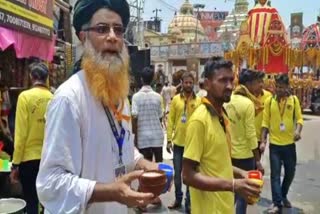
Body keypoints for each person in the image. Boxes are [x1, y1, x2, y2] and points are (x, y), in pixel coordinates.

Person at [36, 1, 161, 213]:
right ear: (83, 37)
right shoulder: (69, 99)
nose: (112, 37)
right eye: (102, 29)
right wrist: (110, 192)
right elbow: (50, 184)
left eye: (118, 30)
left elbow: (119, 145)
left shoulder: (121, 95)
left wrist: (142, 163)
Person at [182, 57, 262, 214]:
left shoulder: (222, 116)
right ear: (207, 84)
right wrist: (233, 185)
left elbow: (218, 163)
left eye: (231, 80)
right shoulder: (199, 120)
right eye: (223, 80)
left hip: (224, 207)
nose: (230, 86)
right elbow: (187, 176)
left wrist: (242, 173)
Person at [10, 63, 53, 214]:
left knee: (31, 202)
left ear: (31, 77)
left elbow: (20, 135)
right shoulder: (53, 98)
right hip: (50, 158)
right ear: (47, 78)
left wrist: (15, 164)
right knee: (49, 202)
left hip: (28, 160)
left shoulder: (25, 97)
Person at [261, 74, 303, 214]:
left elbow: (299, 119)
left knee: (290, 173)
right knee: (275, 175)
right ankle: (277, 203)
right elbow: (265, 122)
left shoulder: (294, 100)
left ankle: (283, 195)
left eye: (281, 87)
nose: (278, 89)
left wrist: (297, 131)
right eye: (277, 86)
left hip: (290, 145)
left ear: (287, 87)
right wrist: (263, 141)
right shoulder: (269, 101)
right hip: (275, 145)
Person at [225, 69, 265, 214]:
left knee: (230, 193)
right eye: (256, 83)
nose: (259, 86)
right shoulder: (248, 103)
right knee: (243, 196)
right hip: (245, 156)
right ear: (248, 84)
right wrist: (258, 160)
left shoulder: (228, 99)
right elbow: (250, 134)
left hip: (229, 155)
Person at [166, 71, 201, 213]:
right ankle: (178, 199)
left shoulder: (198, 101)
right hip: (178, 144)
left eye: (190, 83)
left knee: (190, 175)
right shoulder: (175, 100)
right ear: (182, 82)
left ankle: (189, 203)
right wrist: (169, 139)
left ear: (194, 83)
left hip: (193, 145)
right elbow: (171, 120)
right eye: (186, 82)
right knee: (178, 174)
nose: (188, 85)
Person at [131, 67, 164, 208]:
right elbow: (160, 116)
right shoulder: (158, 97)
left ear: (141, 80)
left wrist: (135, 138)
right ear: (153, 80)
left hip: (143, 137)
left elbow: (134, 118)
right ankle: (155, 196)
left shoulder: (136, 97)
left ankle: (142, 200)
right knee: (157, 169)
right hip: (157, 137)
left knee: (144, 171)